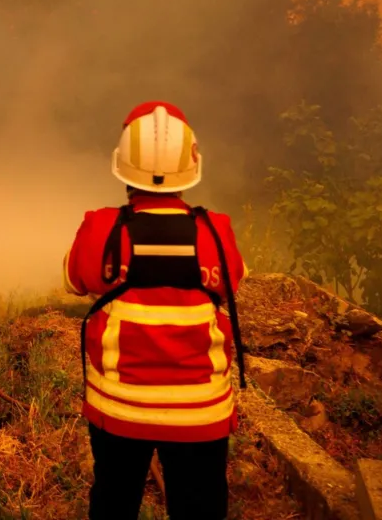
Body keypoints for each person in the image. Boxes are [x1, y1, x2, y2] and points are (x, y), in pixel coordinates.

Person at [63, 101, 248, 520]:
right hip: (203, 411)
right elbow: (233, 282)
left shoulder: (101, 227)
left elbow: (73, 281)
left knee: (114, 496)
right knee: (199, 505)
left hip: (118, 406)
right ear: (192, 166)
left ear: (123, 165)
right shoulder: (216, 230)